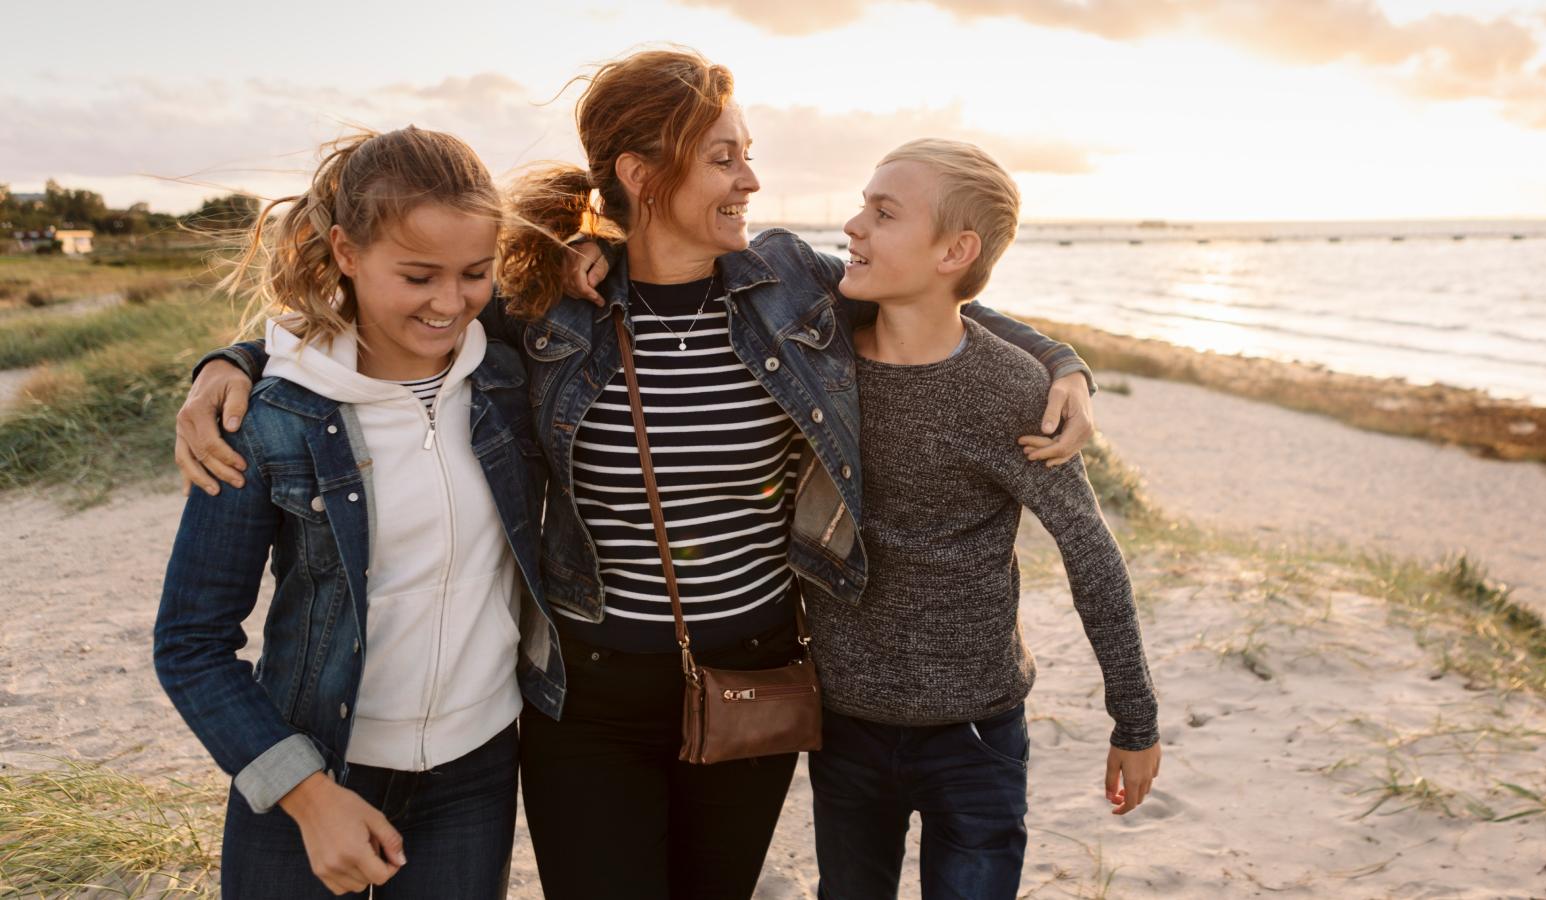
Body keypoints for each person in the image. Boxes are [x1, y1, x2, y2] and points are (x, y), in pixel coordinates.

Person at [173, 49, 1100, 900]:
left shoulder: (785, 281)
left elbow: (928, 297)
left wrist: (1063, 362)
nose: (752, 177)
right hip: (589, 700)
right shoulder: (547, 305)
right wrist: (239, 361)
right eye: (725, 157)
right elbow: (382, 318)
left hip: (755, 680)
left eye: (749, 153)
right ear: (642, 175)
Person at [153, 126, 565, 899]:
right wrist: (308, 797)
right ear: (346, 251)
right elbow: (190, 643)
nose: (451, 304)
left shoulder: (509, 381)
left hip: (474, 772)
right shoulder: (272, 420)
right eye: (417, 276)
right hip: (309, 768)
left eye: (476, 273)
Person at [800, 139, 1162, 899]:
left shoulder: (1006, 388)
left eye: (883, 212)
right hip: (842, 726)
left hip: (975, 735)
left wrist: (1135, 722)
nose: (852, 225)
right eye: (864, 204)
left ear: (954, 250)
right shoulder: (817, 353)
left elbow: (1090, 552)